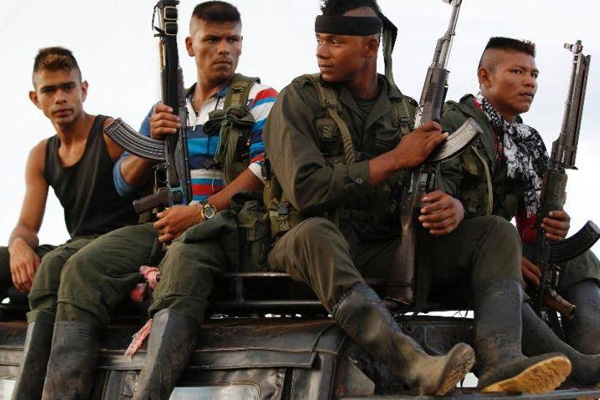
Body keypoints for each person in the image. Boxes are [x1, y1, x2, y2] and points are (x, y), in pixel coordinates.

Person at [263, 0, 574, 396]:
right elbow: (305, 189)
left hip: (378, 246)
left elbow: (437, 183)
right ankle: (414, 363)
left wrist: (450, 207)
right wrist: (395, 159)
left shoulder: (405, 111)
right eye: (321, 40)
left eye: (335, 42)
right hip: (305, 248)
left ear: (371, 46)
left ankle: (502, 361)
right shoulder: (298, 99)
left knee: (495, 232)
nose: (322, 52)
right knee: (315, 234)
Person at [36, 2, 278, 400]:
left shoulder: (259, 98)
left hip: (226, 225)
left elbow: (263, 170)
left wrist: (200, 211)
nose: (224, 49)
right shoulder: (167, 107)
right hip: (167, 225)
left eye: (232, 40)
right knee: (81, 267)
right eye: (212, 40)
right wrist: (152, 140)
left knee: (183, 265)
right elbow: (122, 182)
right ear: (190, 46)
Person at [441, 36, 600, 385]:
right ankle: (573, 364)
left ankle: (594, 349)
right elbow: (437, 205)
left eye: (534, 74)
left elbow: (530, 225)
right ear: (485, 77)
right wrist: (508, 252)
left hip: (499, 244)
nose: (530, 82)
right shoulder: (454, 124)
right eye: (517, 72)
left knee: (578, 256)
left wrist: (552, 224)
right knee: (501, 254)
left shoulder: (525, 140)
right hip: (457, 248)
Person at [4, 47, 138, 400]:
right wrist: (18, 246)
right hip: (77, 245)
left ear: (84, 90)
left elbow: (154, 186)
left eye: (68, 87)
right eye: (49, 90)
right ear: (35, 99)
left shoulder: (110, 132)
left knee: (56, 264)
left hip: (120, 245)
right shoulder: (41, 154)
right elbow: (26, 226)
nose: (60, 97)